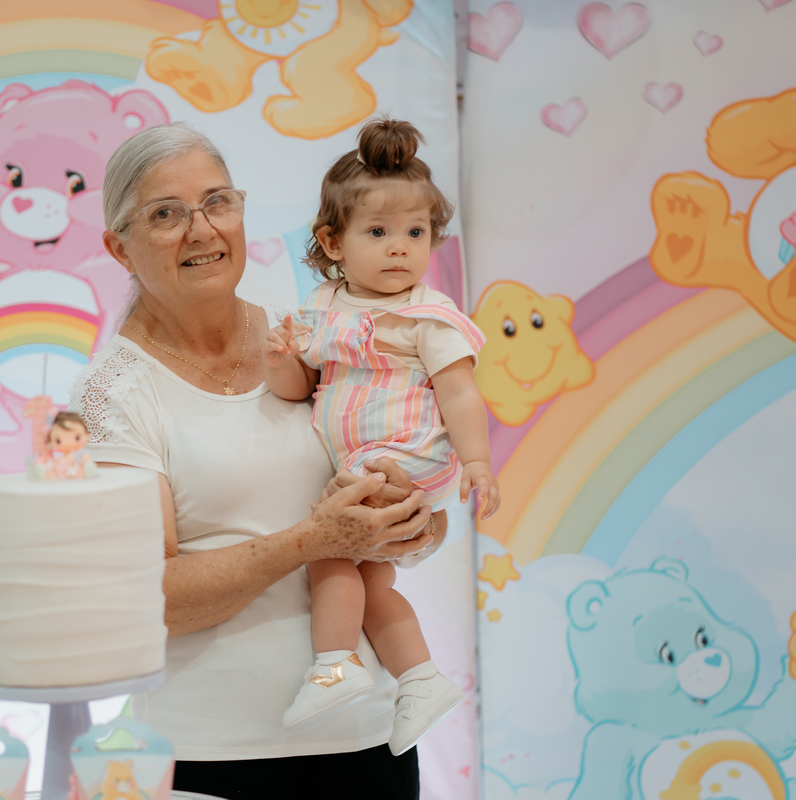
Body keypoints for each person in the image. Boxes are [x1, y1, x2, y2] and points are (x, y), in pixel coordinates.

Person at [68, 122, 441, 800]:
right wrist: (312, 540)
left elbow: (404, 499)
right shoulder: (111, 395)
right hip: (213, 760)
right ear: (119, 247)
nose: (202, 230)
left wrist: (414, 521)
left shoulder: (309, 338)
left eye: (218, 202)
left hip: (369, 744)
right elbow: (144, 599)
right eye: (166, 214)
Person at [262, 119, 499, 754]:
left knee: (327, 545)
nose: (400, 249)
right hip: (368, 459)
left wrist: (477, 462)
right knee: (368, 582)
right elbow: (299, 388)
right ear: (332, 242)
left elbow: (460, 392)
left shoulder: (427, 315)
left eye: (415, 233)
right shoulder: (324, 306)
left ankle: (334, 665)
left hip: (408, 454)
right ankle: (419, 678)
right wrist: (280, 359)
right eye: (378, 232)